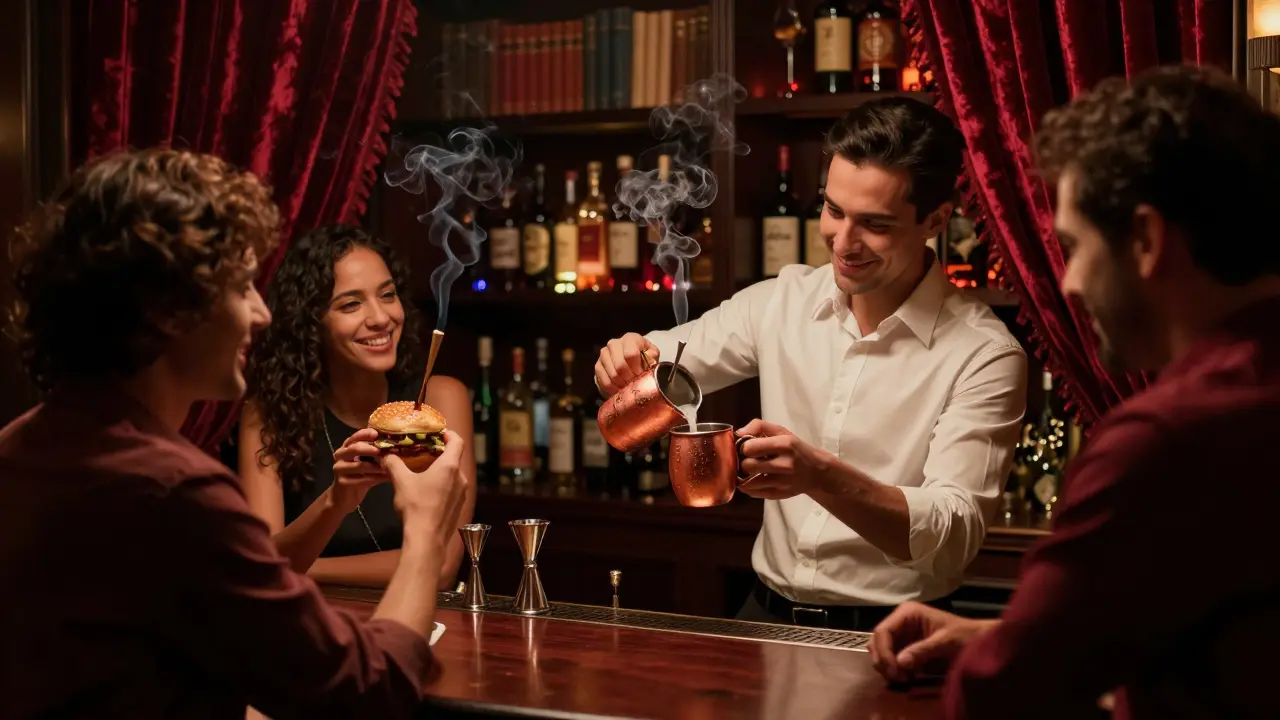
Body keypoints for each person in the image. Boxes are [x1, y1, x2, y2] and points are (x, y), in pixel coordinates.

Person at [869, 65, 1280, 719]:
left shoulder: (1163, 441)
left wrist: (1007, 654)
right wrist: (1004, 634)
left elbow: (999, 697)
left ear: (1145, 240)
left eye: (1075, 246)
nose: (1068, 283)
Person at [0, 148, 469, 718]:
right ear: (171, 310)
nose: (262, 314)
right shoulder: (177, 493)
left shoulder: (18, 450)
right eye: (241, 286)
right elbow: (366, 692)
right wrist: (424, 528)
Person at [596, 97, 1028, 631]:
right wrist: (625, 357)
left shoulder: (983, 354)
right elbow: (667, 355)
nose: (843, 244)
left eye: (875, 224)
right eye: (834, 210)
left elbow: (953, 534)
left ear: (936, 219)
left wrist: (821, 477)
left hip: (896, 630)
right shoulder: (782, 301)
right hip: (764, 618)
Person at [239, 225, 476, 588]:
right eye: (351, 304)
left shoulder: (440, 400)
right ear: (311, 323)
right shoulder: (268, 415)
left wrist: (301, 568)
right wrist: (336, 501)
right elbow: (261, 564)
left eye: (387, 295)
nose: (381, 318)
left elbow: (442, 565)